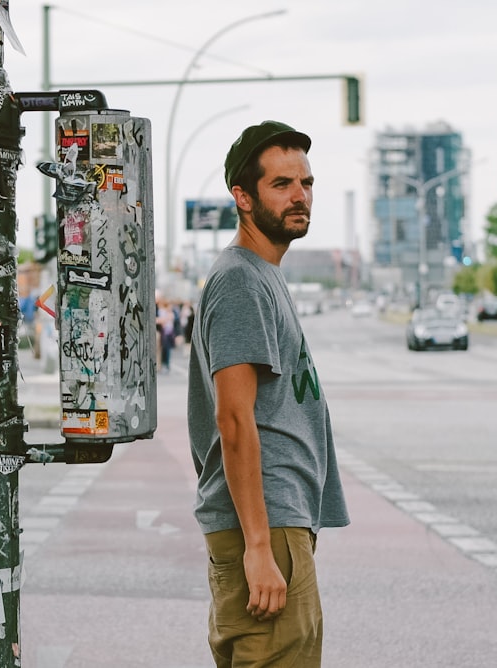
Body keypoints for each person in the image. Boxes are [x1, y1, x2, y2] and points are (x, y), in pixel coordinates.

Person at [187, 120, 349, 667]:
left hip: (277, 521)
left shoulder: (262, 274)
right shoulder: (240, 282)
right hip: (266, 524)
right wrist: (260, 546)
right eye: (281, 184)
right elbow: (234, 421)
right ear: (243, 196)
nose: (299, 195)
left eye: (306, 182)